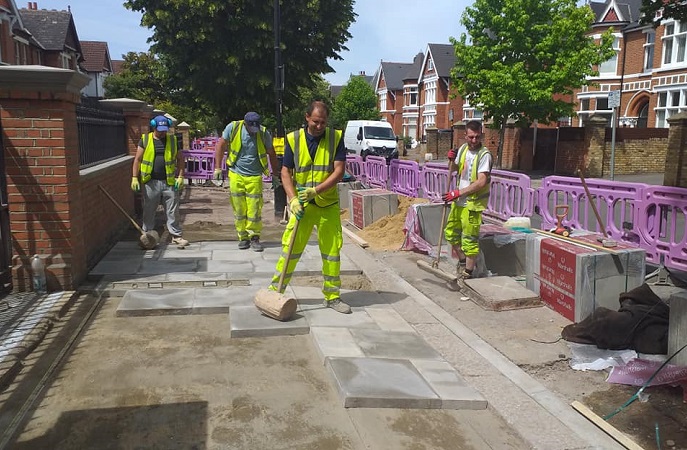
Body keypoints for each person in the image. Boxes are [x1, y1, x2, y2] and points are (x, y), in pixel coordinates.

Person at [267, 100, 351, 314]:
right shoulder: (293, 139)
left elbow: (339, 171)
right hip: (303, 204)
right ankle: (275, 290)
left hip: (327, 203)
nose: (320, 126)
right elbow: (285, 171)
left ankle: (332, 296)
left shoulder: (336, 138)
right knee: (290, 249)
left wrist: (318, 190)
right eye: (315, 121)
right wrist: (293, 199)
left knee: (332, 252)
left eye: (323, 122)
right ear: (306, 117)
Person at [214, 112, 279, 252]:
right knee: (239, 208)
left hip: (255, 175)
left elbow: (271, 153)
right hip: (236, 173)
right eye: (251, 127)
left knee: (254, 209)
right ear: (245, 123)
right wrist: (218, 168)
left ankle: (254, 236)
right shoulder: (233, 127)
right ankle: (243, 237)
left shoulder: (263, 132)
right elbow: (220, 145)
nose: (253, 130)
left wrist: (275, 174)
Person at [442, 119, 492, 287]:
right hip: (458, 202)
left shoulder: (484, 155)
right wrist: (451, 160)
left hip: (472, 204)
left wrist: (458, 193)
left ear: (481, 135)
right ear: (465, 136)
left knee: (469, 240)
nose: (474, 140)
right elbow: (457, 169)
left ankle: (468, 274)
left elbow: (481, 182)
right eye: (471, 137)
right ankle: (462, 262)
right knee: (451, 233)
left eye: (477, 137)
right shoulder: (463, 149)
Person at [131, 115, 188, 247]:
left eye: (165, 130)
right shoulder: (145, 140)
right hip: (151, 182)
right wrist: (134, 177)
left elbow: (180, 159)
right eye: (160, 130)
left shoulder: (173, 140)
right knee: (149, 209)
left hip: (169, 181)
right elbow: (138, 160)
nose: (162, 132)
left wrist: (180, 176)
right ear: (153, 127)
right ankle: (148, 236)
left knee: (173, 210)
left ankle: (176, 236)